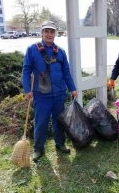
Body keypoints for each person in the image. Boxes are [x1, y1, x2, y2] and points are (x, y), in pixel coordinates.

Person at [22, 20, 78, 162]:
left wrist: (72, 88)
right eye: (46, 31)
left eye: (52, 31)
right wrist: (27, 89)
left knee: (59, 121)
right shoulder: (32, 49)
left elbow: (66, 71)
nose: (49, 34)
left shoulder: (60, 51)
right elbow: (26, 70)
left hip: (59, 94)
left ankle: (60, 143)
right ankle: (38, 148)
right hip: (41, 95)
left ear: (55, 34)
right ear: (42, 33)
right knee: (41, 121)